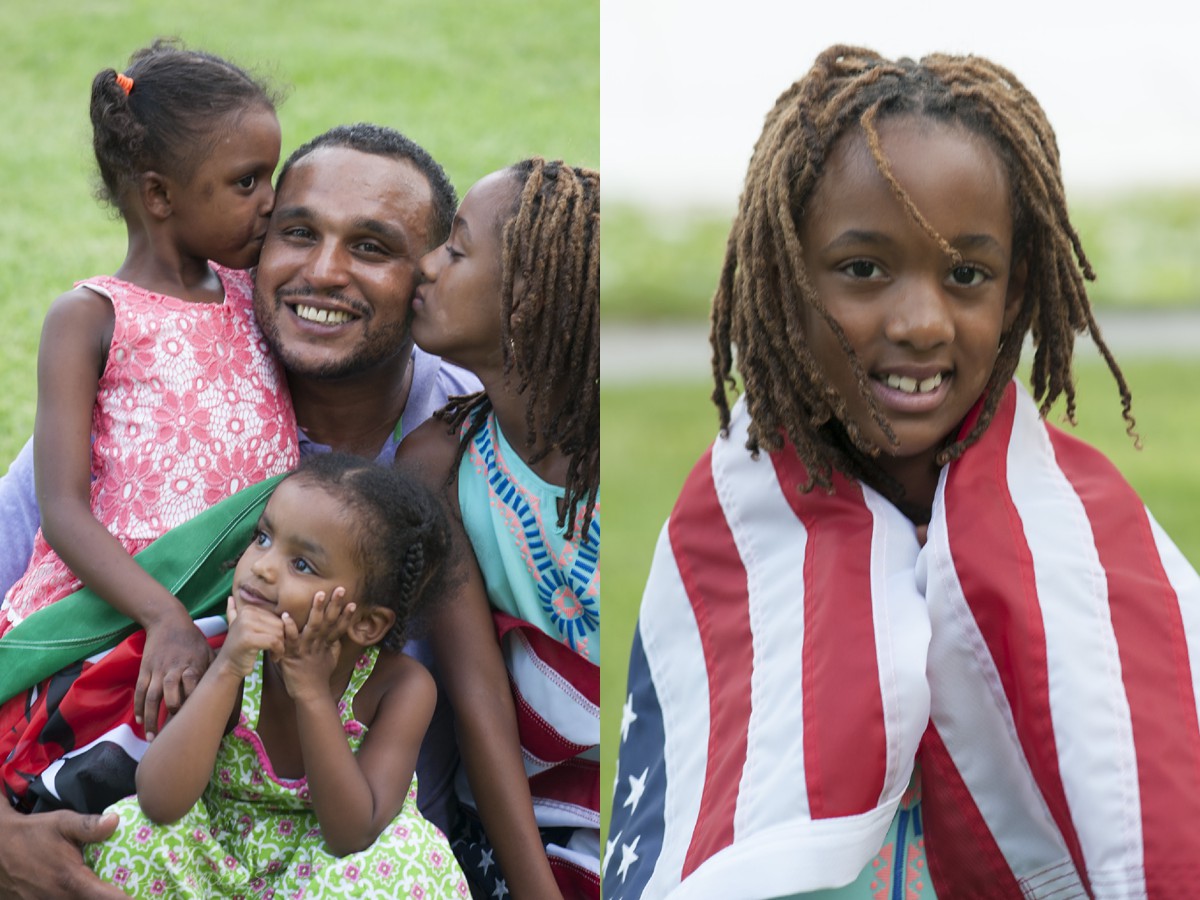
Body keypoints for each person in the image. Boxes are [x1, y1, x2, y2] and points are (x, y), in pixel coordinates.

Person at [606, 46, 1200, 899]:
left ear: (1016, 289)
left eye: (966, 275)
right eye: (863, 269)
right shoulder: (731, 532)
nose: (921, 322)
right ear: (782, 277)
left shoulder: (1084, 534)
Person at [0, 122, 477, 899]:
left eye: (371, 247)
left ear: (425, 280)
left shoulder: (466, 440)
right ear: (249, 246)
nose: (323, 272)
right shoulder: (151, 416)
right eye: (297, 232)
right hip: (152, 845)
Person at [0, 40, 299, 740]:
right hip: (107, 619)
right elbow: (64, 509)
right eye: (247, 182)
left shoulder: (253, 295)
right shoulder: (91, 316)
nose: (272, 202)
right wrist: (161, 614)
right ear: (160, 194)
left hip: (233, 619)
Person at [83, 453, 469, 898]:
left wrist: (311, 691)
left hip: (328, 878)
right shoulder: (235, 661)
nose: (262, 566)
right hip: (221, 869)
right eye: (263, 537)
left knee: (405, 863)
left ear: (366, 624)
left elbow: (352, 835)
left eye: (302, 564)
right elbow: (158, 801)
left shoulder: (400, 688)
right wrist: (227, 666)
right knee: (129, 834)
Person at [398, 158, 600, 899]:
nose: (425, 265)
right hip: (530, 828)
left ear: (527, 300)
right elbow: (480, 702)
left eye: (454, 249)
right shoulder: (439, 465)